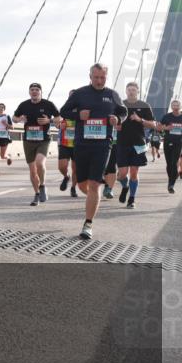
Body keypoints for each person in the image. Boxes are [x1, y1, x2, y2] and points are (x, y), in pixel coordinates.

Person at [59, 64, 127, 240]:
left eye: (102, 77)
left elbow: (123, 112)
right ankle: (93, 192)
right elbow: (63, 111)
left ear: (106, 76)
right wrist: (77, 115)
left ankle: (88, 223)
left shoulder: (112, 95)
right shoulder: (80, 93)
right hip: (81, 144)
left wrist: (117, 119)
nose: (99, 81)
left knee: (94, 184)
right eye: (96, 77)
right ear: (90, 76)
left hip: (103, 145)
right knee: (83, 185)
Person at [13, 83, 61, 206]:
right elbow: (14, 118)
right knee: (32, 170)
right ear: (29, 92)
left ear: (41, 92)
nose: (34, 92)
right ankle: (37, 194)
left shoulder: (48, 104)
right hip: (28, 140)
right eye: (32, 90)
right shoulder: (24, 105)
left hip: (43, 139)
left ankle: (43, 185)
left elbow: (59, 118)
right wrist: (19, 119)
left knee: (40, 162)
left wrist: (48, 121)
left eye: (37, 90)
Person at [115, 82, 157, 209]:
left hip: (138, 143)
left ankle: (132, 198)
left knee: (133, 173)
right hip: (122, 143)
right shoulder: (120, 105)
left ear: (137, 92)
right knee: (122, 174)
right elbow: (112, 121)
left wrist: (140, 120)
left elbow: (153, 124)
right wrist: (115, 125)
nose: (131, 92)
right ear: (126, 91)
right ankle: (125, 186)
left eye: (134, 90)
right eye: (129, 89)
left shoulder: (144, 106)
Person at [57, 89, 78, 198]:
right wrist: (60, 125)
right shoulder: (64, 109)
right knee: (62, 166)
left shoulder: (81, 109)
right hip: (64, 142)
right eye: (71, 96)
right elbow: (57, 121)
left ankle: (73, 188)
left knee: (76, 168)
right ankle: (66, 176)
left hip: (77, 144)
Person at [160, 99, 182, 193]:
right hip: (168, 142)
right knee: (169, 164)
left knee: (174, 162)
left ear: (180, 106)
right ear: (171, 107)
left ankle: (171, 184)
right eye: (173, 105)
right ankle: (172, 178)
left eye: (177, 105)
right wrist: (166, 127)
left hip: (179, 142)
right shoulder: (166, 117)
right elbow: (159, 127)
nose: (175, 107)